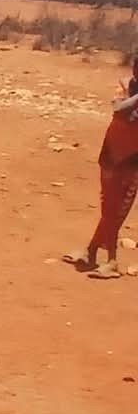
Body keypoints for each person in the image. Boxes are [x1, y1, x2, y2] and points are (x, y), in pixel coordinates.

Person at [65, 48, 138, 279]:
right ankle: (93, 252)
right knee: (108, 207)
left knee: (115, 211)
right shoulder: (125, 84)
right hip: (111, 153)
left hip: (132, 161)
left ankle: (110, 259)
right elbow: (118, 110)